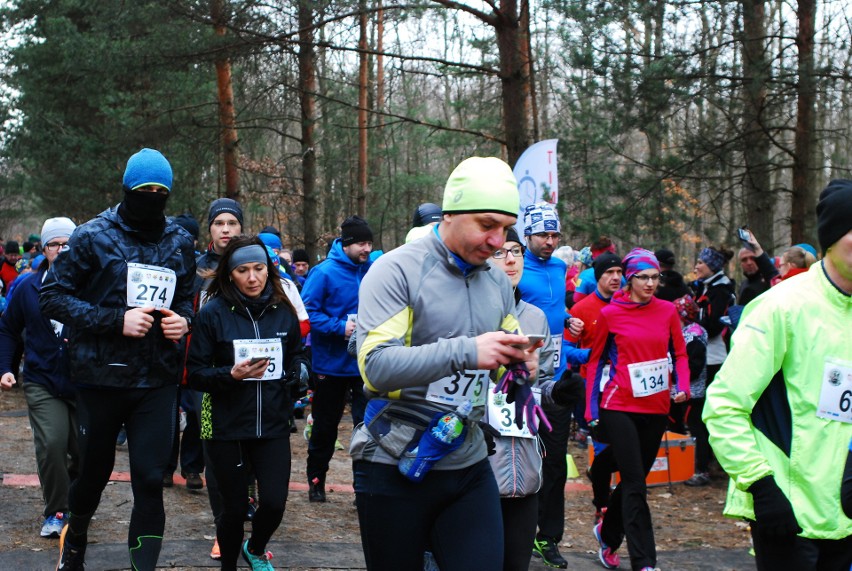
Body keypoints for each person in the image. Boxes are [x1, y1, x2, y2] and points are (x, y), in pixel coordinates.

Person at [352, 156, 540, 570]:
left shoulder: (494, 280)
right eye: (487, 225)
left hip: (468, 460)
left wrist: (523, 362)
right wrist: (467, 351)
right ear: (450, 213)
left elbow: (509, 348)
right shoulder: (395, 270)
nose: (497, 241)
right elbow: (376, 367)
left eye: (506, 228)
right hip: (394, 459)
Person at [41, 148, 196, 571]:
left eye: (160, 191)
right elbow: (52, 297)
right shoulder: (92, 235)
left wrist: (184, 321)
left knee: (150, 479)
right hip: (101, 379)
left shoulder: (181, 240)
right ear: (127, 189)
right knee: (93, 475)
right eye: (144, 190)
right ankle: (75, 543)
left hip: (157, 381)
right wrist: (115, 321)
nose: (152, 196)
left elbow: (186, 299)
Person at [704, 179, 852, 570]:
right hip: (789, 512)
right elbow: (723, 407)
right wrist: (762, 486)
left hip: (845, 512)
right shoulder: (781, 307)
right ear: (832, 238)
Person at [187, 236, 309, 571]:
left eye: (259, 269)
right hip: (225, 422)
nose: (253, 278)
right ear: (230, 274)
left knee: (274, 503)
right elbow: (195, 374)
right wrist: (230, 374)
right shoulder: (212, 313)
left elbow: (298, 355)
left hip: (271, 421)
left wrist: (298, 372)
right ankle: (228, 566)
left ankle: (254, 548)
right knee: (235, 508)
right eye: (243, 270)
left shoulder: (283, 311)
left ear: (269, 271)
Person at [487, 227, 585, 571]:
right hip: (474, 461)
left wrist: (556, 392)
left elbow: (538, 384)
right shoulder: (464, 309)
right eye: (500, 252)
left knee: (516, 560)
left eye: (516, 251)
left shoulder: (535, 317)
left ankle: (546, 538)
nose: (511, 259)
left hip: (523, 461)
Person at [586, 248, 689, 571]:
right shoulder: (610, 314)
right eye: (643, 277)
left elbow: (681, 353)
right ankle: (644, 562)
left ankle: (608, 533)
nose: (650, 283)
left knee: (634, 480)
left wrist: (682, 385)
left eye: (655, 277)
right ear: (629, 279)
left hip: (656, 406)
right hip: (619, 405)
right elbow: (595, 362)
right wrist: (591, 410)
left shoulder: (667, 311)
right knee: (636, 484)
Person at [0, 217, 78, 539]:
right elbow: (8, 329)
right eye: (54, 244)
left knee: (84, 450)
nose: (60, 250)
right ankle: (56, 510)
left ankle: (75, 500)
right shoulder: (27, 287)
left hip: (84, 383)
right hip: (42, 380)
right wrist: (5, 367)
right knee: (53, 443)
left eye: (66, 244)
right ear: (43, 249)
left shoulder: (92, 286)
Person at [301, 215, 373, 502]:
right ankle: (316, 481)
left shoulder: (372, 271)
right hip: (330, 365)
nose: (366, 248)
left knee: (365, 427)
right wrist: (339, 327)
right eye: (360, 243)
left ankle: (362, 488)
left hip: (364, 365)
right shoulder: (323, 273)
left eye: (369, 242)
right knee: (324, 427)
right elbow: (307, 313)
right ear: (346, 244)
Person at [566, 251, 622, 523]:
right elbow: (566, 349)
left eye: (619, 273)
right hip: (594, 387)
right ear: (597, 276)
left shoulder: (628, 303)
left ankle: (615, 490)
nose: (615, 278)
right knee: (602, 443)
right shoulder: (582, 309)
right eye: (609, 273)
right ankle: (604, 500)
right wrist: (591, 356)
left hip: (624, 385)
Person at [687, 245, 736, 486]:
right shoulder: (706, 286)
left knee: (703, 415)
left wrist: (692, 317)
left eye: (701, 263)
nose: (696, 266)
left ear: (713, 267)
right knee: (698, 415)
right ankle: (707, 464)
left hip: (714, 360)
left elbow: (715, 326)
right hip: (703, 357)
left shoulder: (720, 290)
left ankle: (704, 468)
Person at [736, 230, 778, 306]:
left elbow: (773, 275)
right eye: (744, 260)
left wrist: (758, 249)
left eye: (752, 258)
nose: (749, 263)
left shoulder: (768, 282)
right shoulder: (743, 284)